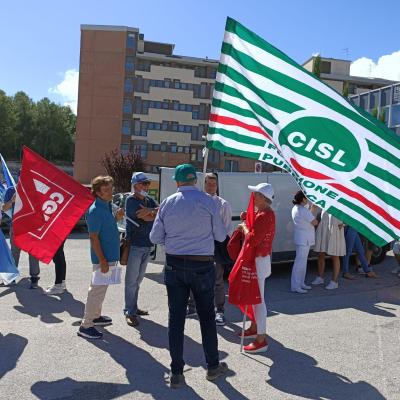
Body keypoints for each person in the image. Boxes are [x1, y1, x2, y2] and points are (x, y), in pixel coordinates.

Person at [150, 164, 228, 389]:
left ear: (177, 181)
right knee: (207, 317)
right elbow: (220, 236)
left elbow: (155, 237)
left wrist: (173, 241)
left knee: (176, 320)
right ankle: (212, 366)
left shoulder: (167, 203)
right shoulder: (208, 202)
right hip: (202, 266)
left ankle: (176, 373)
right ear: (196, 180)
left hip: (174, 265)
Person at [78, 175, 124, 340]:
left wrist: (116, 218)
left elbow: (107, 228)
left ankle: (95, 317)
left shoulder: (106, 205)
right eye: (106, 189)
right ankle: (86, 325)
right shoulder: (96, 210)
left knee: (101, 290)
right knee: (96, 291)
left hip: (109, 257)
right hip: (103, 258)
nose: (110, 191)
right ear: (97, 192)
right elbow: (93, 237)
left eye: (111, 188)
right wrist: (102, 260)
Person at [238, 183, 276, 353]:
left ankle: (261, 339)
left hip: (259, 261)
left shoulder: (264, 214)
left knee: (258, 300)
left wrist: (244, 226)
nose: (253, 196)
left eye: (256, 194)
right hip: (261, 259)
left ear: (262, 197)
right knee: (255, 298)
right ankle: (255, 328)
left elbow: (253, 239)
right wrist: (248, 218)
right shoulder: (264, 213)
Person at [124, 172, 158, 327]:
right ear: (135, 185)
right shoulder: (130, 200)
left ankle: (134, 307)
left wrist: (150, 211)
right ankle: (129, 311)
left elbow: (159, 212)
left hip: (147, 244)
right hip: (135, 245)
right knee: (131, 281)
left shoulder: (149, 200)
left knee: (138, 280)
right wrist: (151, 212)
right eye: (143, 183)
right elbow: (143, 217)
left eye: (147, 183)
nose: (146, 186)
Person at [203, 173, 233, 326]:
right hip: (199, 246)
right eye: (208, 183)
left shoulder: (223, 204)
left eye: (214, 184)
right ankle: (193, 307)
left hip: (216, 247)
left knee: (217, 281)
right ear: (204, 184)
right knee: (197, 279)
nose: (211, 187)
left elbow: (228, 228)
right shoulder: (197, 201)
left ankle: (219, 311)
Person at [4, 187, 41, 288]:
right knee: (14, 253)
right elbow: (4, 208)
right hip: (16, 227)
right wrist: (12, 200)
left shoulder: (35, 189)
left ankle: (34, 278)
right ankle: (12, 277)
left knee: (33, 253)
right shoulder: (11, 190)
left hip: (31, 227)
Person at [291, 191, 319, 293]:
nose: (308, 199)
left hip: (302, 238)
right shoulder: (303, 210)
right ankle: (295, 285)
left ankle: (301, 283)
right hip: (304, 239)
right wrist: (314, 210)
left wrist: (312, 209)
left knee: (302, 263)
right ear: (303, 199)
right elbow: (314, 222)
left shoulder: (297, 208)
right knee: (300, 263)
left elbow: (307, 217)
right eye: (306, 197)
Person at [312, 209, 345, 290]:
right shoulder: (327, 197)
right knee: (320, 253)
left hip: (336, 227)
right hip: (324, 225)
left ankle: (334, 282)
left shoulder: (342, 198)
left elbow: (350, 211)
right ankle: (320, 277)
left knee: (334, 255)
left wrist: (345, 223)